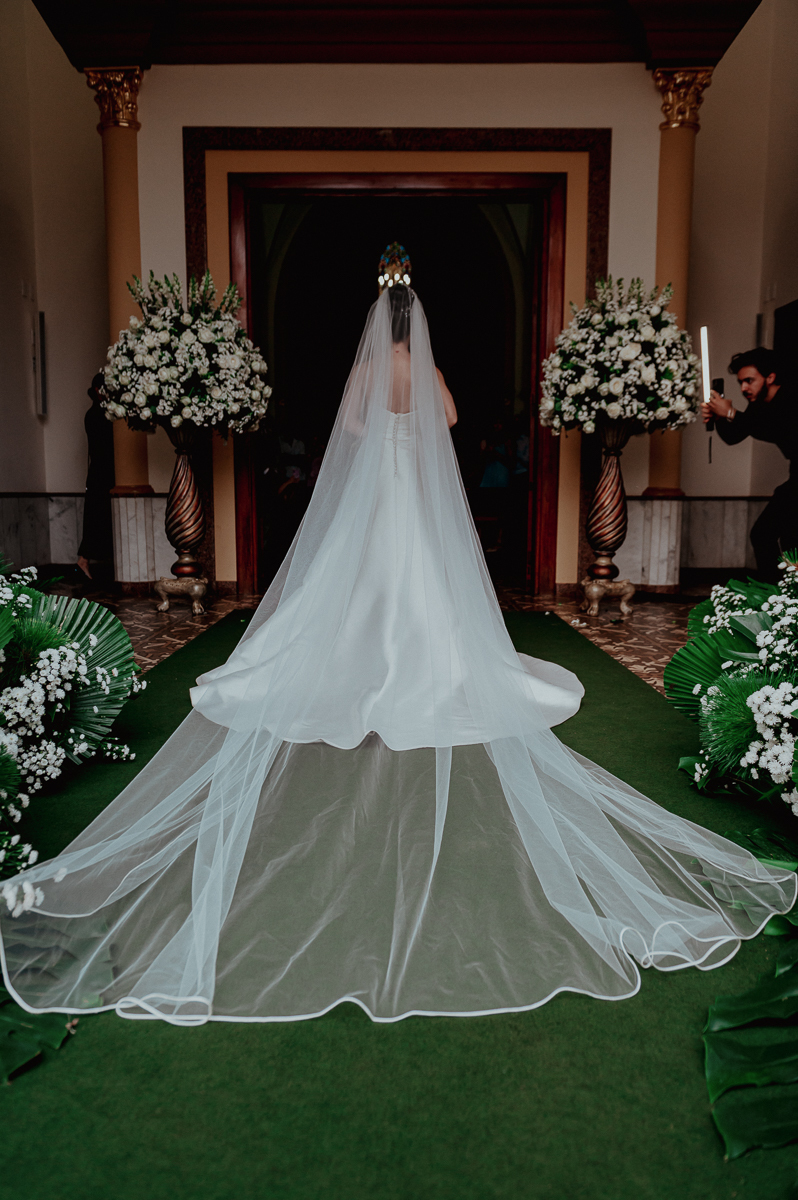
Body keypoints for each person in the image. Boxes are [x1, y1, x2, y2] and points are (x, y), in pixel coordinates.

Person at [1, 270, 794, 1028]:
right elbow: (448, 419)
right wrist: (411, 428)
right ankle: (426, 661)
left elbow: (349, 428)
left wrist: (380, 428)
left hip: (375, 482)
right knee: (422, 573)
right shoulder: (429, 367)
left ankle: (357, 660)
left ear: (380, 324)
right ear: (421, 323)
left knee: (362, 576)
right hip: (417, 481)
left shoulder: (367, 368)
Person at [702, 347, 798, 580]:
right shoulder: (759, 403)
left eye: (749, 381)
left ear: (770, 377)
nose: (744, 388)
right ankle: (778, 594)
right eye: (741, 382)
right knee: (773, 535)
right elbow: (735, 435)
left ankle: (779, 593)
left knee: (772, 535)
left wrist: (731, 413)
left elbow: (778, 430)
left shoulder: (791, 396)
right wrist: (720, 416)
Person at [76, 373, 115, 580]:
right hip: (101, 473)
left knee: (98, 516)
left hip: (101, 472)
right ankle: (83, 560)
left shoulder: (96, 413)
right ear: (99, 390)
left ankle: (85, 560)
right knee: (96, 516)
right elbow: (103, 447)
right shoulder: (96, 414)